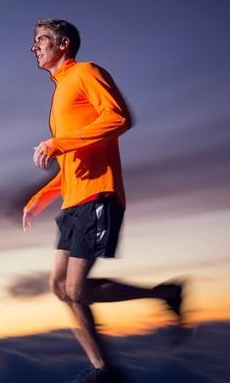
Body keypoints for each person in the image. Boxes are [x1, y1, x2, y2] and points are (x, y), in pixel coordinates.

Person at [23, 19, 185, 383]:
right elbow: (71, 160)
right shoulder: (60, 89)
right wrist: (41, 197)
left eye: (41, 40)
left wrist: (56, 143)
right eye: (34, 42)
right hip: (74, 201)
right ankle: (102, 369)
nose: (34, 47)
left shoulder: (85, 73)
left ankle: (160, 298)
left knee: (76, 289)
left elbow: (119, 117)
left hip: (100, 194)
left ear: (63, 44)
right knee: (59, 288)